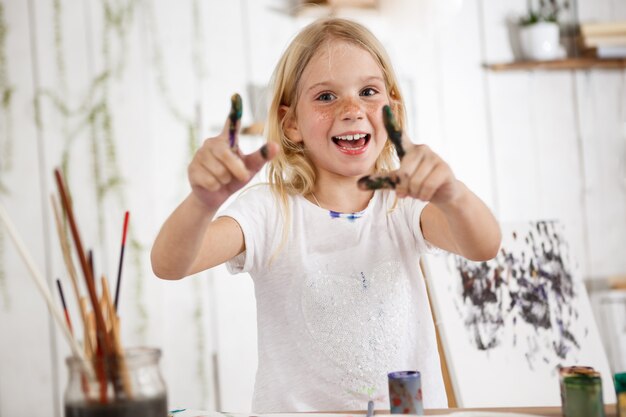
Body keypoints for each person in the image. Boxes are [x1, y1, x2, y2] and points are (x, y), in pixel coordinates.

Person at [151, 17, 501, 412]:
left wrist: (452, 194)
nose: (352, 109)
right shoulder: (270, 211)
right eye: (326, 97)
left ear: (394, 113)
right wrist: (202, 202)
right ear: (291, 123)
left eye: (368, 91)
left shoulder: (403, 204)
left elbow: (483, 245)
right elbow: (171, 265)